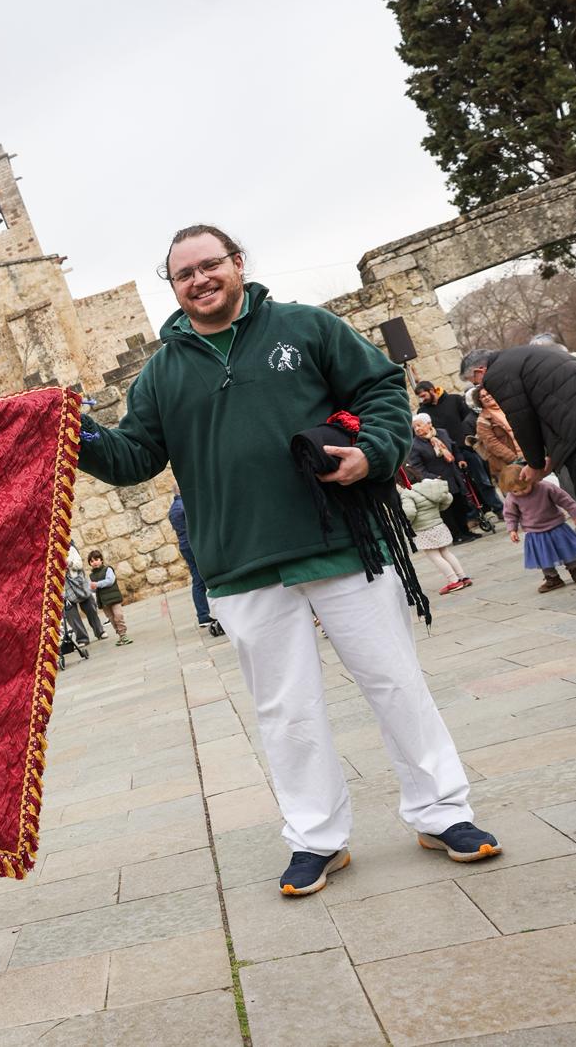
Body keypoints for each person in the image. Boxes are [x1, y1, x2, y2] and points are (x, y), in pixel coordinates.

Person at [79, 224, 497, 898]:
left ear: (237, 264)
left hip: (344, 541)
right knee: (285, 709)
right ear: (175, 287)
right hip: (242, 564)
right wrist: (81, 434)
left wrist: (375, 452)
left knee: (394, 682)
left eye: (209, 264)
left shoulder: (305, 327)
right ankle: (317, 840)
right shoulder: (161, 372)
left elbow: (383, 390)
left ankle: (443, 813)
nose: (198, 280)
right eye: (182, 274)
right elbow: (134, 456)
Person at [462, 344, 576, 506]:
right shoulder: (523, 355)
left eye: (476, 383)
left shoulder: (496, 374)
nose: (481, 387)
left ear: (480, 371)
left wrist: (534, 464)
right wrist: (548, 456)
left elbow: (522, 419)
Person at [416, 380, 500, 518]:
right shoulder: (423, 411)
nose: (422, 399)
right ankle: (473, 515)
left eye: (424, 395)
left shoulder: (454, 400)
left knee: (482, 480)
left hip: (466, 448)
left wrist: (465, 438)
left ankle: (498, 508)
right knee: (461, 487)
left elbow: (468, 420)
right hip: (446, 453)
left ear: (432, 390)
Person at [499, 463, 576, 592]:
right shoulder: (511, 498)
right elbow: (510, 515)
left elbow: (565, 499)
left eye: (524, 488)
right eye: (515, 491)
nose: (520, 493)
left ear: (530, 480)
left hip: (556, 526)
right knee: (544, 556)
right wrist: (512, 530)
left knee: (567, 550)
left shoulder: (544, 487)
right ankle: (552, 578)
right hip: (535, 532)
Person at [407, 414, 482, 545]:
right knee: (448, 510)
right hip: (438, 482)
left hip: (454, 476)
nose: (417, 429)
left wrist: (460, 460)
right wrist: (433, 477)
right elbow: (417, 468)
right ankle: (456, 535)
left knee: (460, 505)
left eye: (419, 425)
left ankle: (466, 531)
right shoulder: (415, 445)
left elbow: (454, 448)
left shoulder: (442, 433)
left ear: (429, 424)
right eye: (415, 427)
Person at [397, 465, 469, 594]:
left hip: (423, 529)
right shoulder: (430, 487)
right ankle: (462, 576)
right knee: (445, 552)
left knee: (434, 556)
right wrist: (439, 509)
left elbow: (410, 513)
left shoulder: (407, 493)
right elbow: (448, 498)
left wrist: (406, 523)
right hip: (438, 524)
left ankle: (453, 581)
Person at [168, 491, 223, 636]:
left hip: (184, 545)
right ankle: (206, 614)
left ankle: (204, 614)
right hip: (193, 544)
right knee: (204, 577)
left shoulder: (173, 508)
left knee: (197, 577)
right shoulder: (184, 506)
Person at [470, 385, 522, 476]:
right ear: (479, 401)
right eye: (483, 396)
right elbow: (492, 444)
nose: (487, 397)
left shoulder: (507, 408)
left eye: (488, 394)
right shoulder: (482, 421)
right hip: (511, 461)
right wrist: (513, 458)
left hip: (528, 452)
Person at [86, 551, 131, 645]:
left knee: (118, 616)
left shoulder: (108, 569)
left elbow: (110, 581)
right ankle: (120, 635)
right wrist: (91, 588)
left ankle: (123, 634)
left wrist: (97, 584)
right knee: (112, 619)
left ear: (101, 560)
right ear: (90, 563)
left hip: (114, 598)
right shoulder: (91, 576)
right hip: (104, 601)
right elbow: (94, 589)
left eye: (97, 560)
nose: (94, 562)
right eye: (92, 561)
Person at [62, 545, 102, 645]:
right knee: (71, 614)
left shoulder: (70, 549)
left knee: (91, 608)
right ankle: (82, 638)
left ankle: (99, 632)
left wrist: (67, 563)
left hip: (79, 583)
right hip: (64, 586)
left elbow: (79, 565)